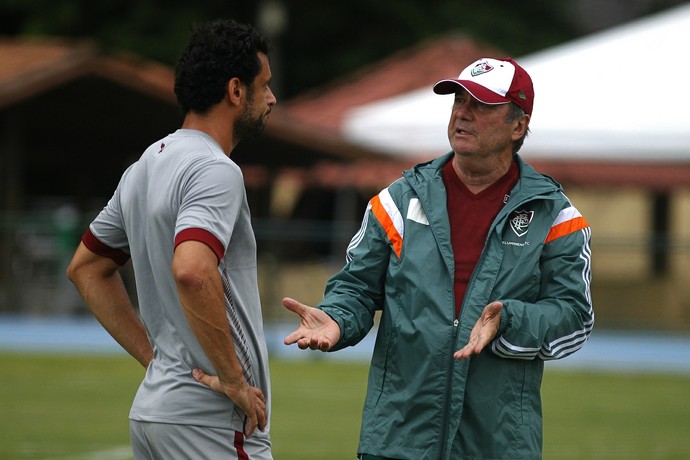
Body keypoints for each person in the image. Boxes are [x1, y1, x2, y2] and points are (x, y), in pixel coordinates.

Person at [282, 57, 593, 459]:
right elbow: (355, 289)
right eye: (458, 101)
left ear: (518, 126)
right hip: (397, 440)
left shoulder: (555, 216)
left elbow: (574, 316)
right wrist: (337, 319)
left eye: (481, 105)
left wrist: (510, 320)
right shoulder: (397, 200)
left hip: (497, 445)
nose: (463, 113)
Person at [67, 18, 276, 459]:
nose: (272, 99)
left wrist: (155, 361)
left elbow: (86, 267)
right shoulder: (216, 170)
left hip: (156, 412)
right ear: (236, 91)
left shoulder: (144, 165)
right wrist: (235, 382)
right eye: (265, 86)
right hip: (211, 420)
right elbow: (192, 270)